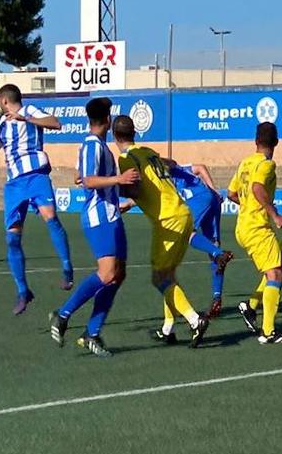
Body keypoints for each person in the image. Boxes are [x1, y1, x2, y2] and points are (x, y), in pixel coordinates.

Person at [112, 115, 212, 348]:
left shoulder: (126, 158)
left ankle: (195, 320)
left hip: (167, 220)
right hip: (183, 213)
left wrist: (111, 184)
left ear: (115, 136)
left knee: (159, 278)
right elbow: (172, 163)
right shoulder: (148, 151)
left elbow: (134, 190)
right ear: (134, 132)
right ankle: (168, 328)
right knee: (168, 275)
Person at [49, 98, 138, 358]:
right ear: (108, 120)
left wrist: (123, 193)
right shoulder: (92, 145)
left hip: (112, 215)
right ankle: (63, 315)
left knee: (118, 275)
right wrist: (119, 179)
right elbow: (88, 180)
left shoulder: (99, 146)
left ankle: (92, 333)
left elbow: (86, 176)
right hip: (99, 217)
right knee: (107, 272)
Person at [0, 84, 75, 315]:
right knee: (12, 237)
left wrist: (25, 118)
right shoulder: (2, 123)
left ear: (3, 101)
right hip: (14, 184)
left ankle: (67, 269)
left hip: (36, 175)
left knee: (50, 218)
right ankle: (23, 291)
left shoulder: (30, 110)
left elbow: (56, 123)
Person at [229, 122, 282, 344]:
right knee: (274, 275)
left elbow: (231, 194)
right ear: (276, 142)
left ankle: (250, 305)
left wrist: (247, 205)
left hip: (243, 225)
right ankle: (268, 332)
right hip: (256, 227)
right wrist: (274, 214)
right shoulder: (267, 164)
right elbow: (257, 189)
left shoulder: (245, 163)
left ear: (255, 141)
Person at [167, 161, 232, 317]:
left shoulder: (173, 171)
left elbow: (200, 167)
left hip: (200, 198)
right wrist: (214, 190)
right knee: (213, 244)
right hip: (212, 200)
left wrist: (211, 189)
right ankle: (217, 298)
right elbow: (201, 168)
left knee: (187, 233)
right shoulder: (175, 173)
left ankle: (219, 253)